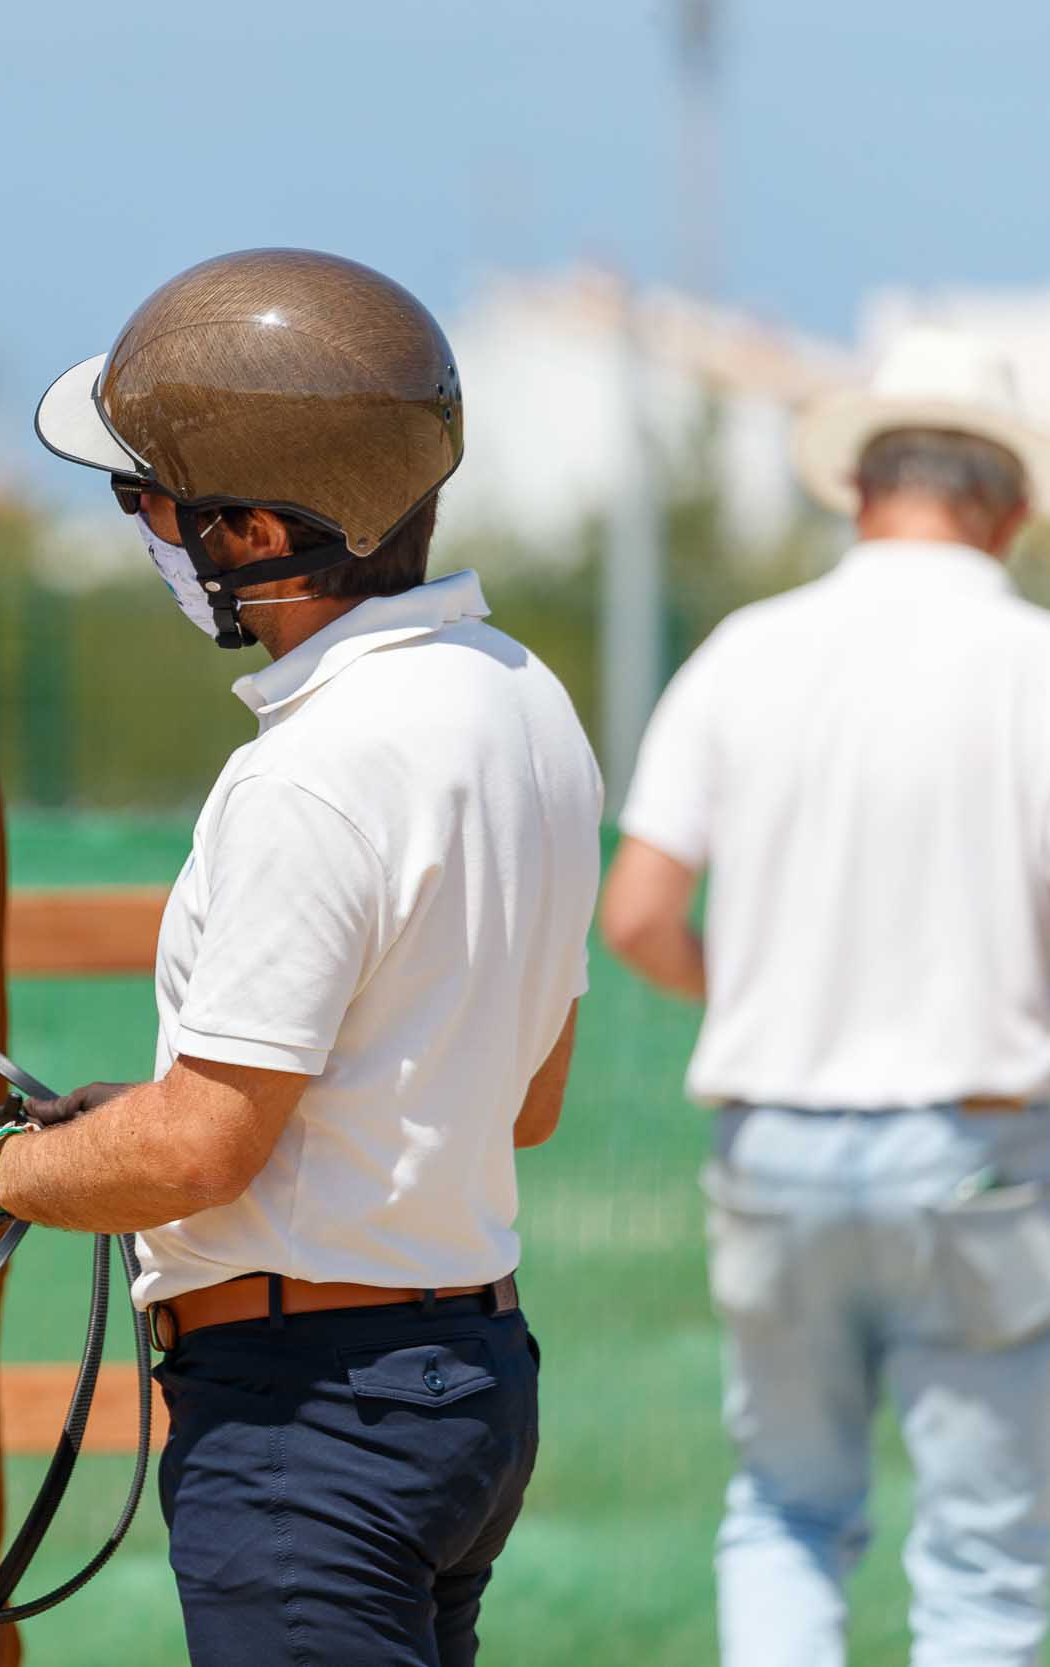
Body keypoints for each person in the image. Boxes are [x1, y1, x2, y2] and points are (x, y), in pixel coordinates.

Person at [0, 247, 602, 1666]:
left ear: (254, 529)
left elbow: (202, 1152)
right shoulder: (526, 705)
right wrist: (125, 1132)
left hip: (311, 1421)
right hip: (470, 1389)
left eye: (152, 502)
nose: (144, 531)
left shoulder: (309, 772)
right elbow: (522, 1096)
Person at [601, 326, 1050, 1667]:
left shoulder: (748, 651)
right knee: (984, 1563)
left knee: (787, 1514)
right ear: (1014, 509)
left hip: (775, 1136)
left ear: (855, 487)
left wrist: (769, 999)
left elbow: (638, 915)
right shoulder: (1036, 664)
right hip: (982, 1150)